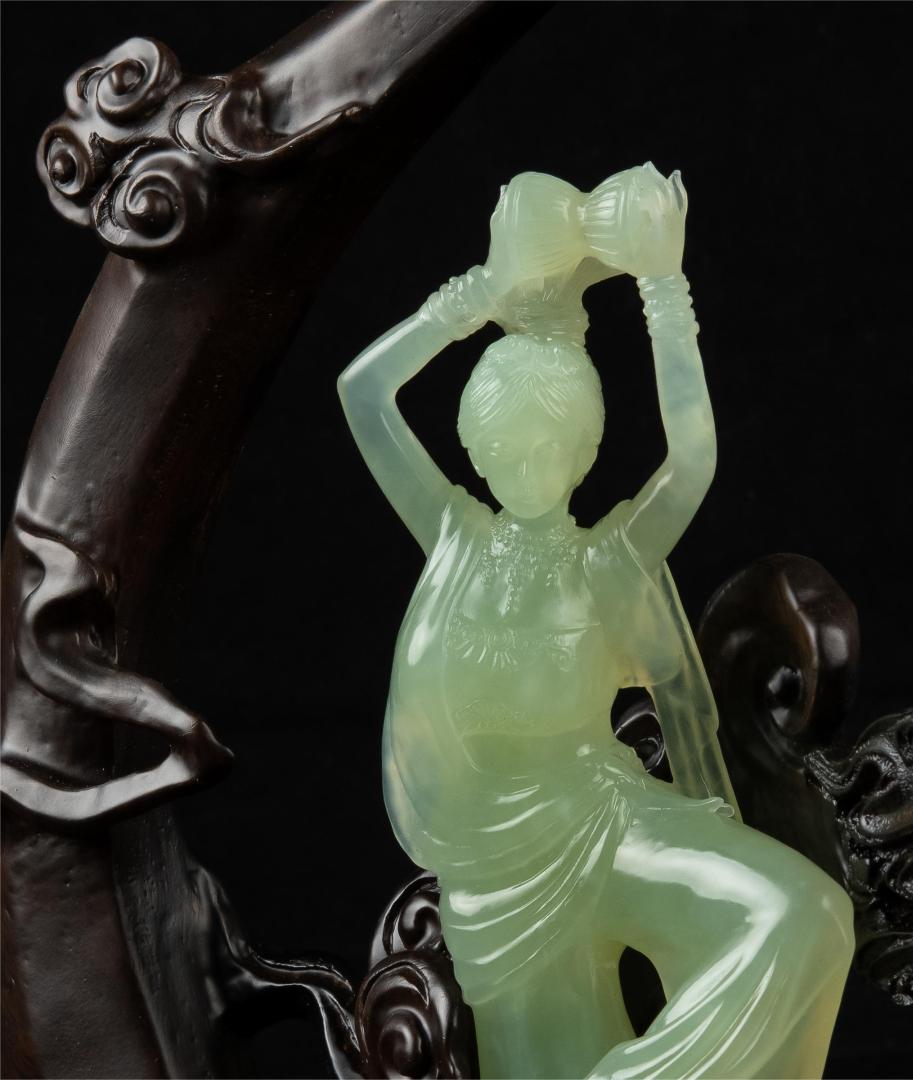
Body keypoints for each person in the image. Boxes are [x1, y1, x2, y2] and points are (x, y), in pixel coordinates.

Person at [338, 165, 854, 1079]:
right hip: (492, 871)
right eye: (505, 443)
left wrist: (664, 286)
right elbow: (363, 393)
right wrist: (480, 293)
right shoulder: (452, 537)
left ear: (584, 450)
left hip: (605, 822)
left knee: (801, 916)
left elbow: (692, 461)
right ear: (475, 444)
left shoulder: (604, 562)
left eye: (551, 444)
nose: (527, 464)